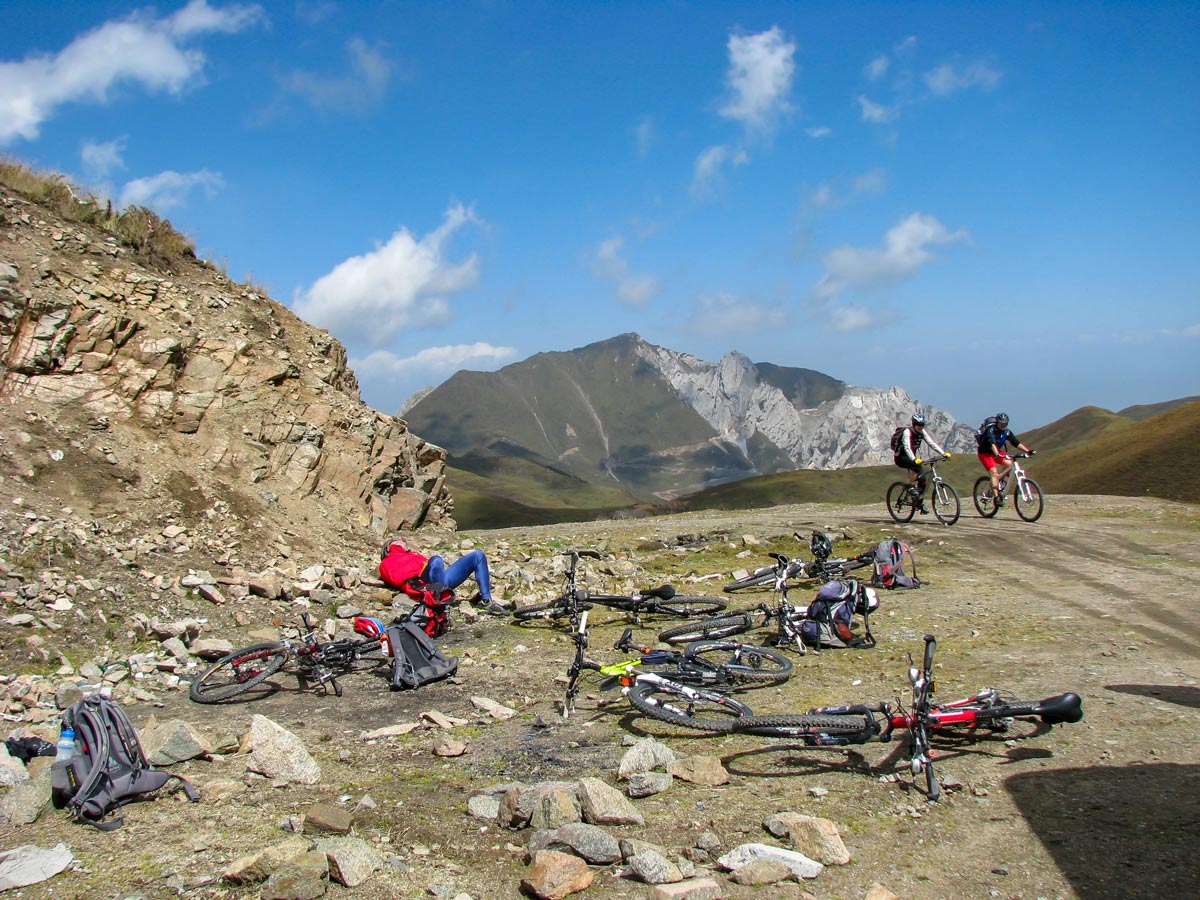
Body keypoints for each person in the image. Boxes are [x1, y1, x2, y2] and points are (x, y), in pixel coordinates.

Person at [380, 538, 503, 614]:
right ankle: (439, 597)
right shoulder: (387, 561)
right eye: (397, 540)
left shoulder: (414, 555)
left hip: (439, 579)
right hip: (423, 585)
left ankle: (486, 600)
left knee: (478, 555)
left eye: (403, 540)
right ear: (388, 547)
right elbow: (395, 579)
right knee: (436, 560)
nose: (402, 541)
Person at [893, 413, 949, 513]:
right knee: (916, 465)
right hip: (901, 457)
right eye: (918, 425)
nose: (920, 427)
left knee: (923, 479)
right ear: (914, 424)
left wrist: (943, 453)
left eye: (922, 425)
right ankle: (910, 487)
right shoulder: (907, 432)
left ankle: (919, 502)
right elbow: (907, 447)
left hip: (912, 458)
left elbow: (931, 443)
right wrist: (914, 459)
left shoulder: (922, 432)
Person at [976, 412, 1034, 507]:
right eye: (1001, 423)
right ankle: (996, 497)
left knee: (1009, 464)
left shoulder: (1006, 432)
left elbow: (1015, 442)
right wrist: (997, 454)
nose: (1003, 425)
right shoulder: (991, 430)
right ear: (997, 423)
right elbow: (992, 443)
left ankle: (1000, 482)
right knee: (994, 472)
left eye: (1005, 424)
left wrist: (1028, 451)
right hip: (985, 453)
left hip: (996, 452)